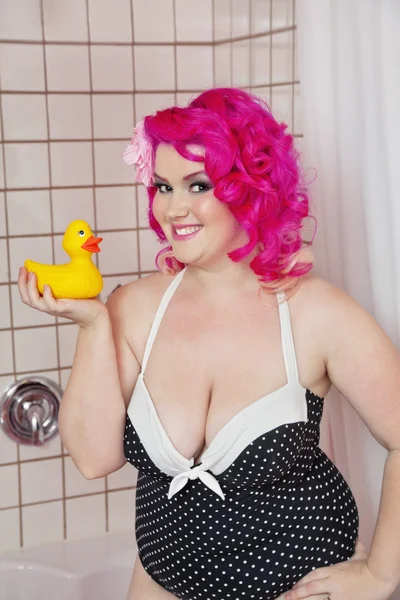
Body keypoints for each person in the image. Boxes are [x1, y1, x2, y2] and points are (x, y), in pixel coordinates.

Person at [17, 87, 400, 600]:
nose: (174, 208)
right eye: (162, 186)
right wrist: (91, 326)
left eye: (198, 185)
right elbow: (93, 458)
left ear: (251, 189)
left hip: (297, 585)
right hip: (162, 583)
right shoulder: (133, 308)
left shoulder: (316, 314)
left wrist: (380, 574)